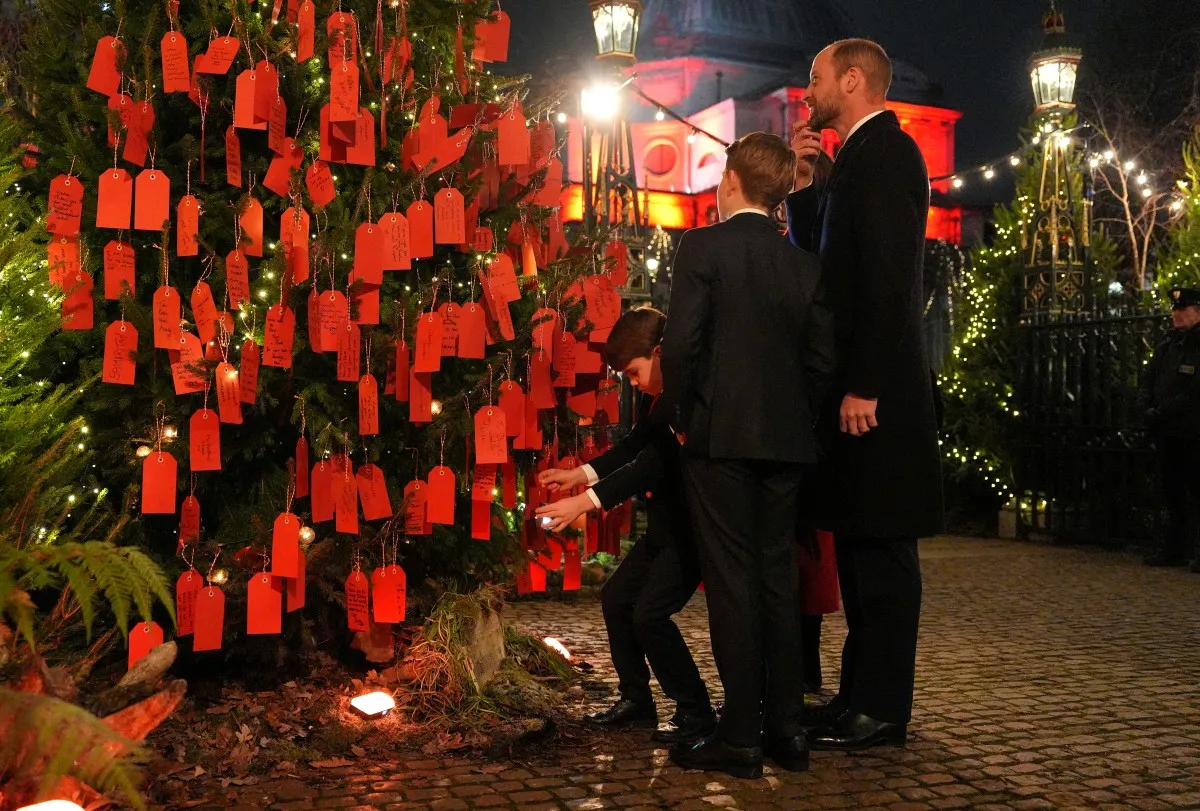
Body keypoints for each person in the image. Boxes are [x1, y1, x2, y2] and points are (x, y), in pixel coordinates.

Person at [660, 132, 836, 778]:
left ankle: (739, 734)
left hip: (721, 438)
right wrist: (795, 417)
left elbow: (679, 346)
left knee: (732, 585)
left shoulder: (702, 247)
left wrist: (682, 416)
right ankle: (787, 729)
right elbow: (821, 361)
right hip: (786, 441)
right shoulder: (804, 265)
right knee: (777, 583)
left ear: (731, 181)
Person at [786, 38, 944, 752]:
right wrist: (805, 187)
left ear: (852, 80)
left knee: (881, 558)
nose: (807, 88)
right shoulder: (857, 156)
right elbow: (831, 263)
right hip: (857, 394)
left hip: (875, 398)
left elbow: (882, 278)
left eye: (816, 78)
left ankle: (882, 708)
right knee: (857, 552)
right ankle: (856, 698)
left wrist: (864, 384)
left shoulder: (886, 152)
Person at [534, 308, 716, 745]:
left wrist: (586, 500)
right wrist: (580, 475)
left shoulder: (683, 396)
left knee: (651, 614)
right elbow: (635, 445)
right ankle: (636, 698)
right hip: (663, 528)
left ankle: (695, 711)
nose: (633, 383)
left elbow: (652, 465)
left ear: (660, 352)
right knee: (617, 599)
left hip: (689, 530)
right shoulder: (657, 397)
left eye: (634, 373)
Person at [1140, 286, 1200, 570]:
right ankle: (1173, 548)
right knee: (1171, 492)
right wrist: (1146, 405)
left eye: (1182, 309)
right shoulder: (1169, 343)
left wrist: (1161, 411)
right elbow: (1149, 377)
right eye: (1174, 309)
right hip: (1168, 431)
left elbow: (1193, 392)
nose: (1175, 314)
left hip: (1192, 430)